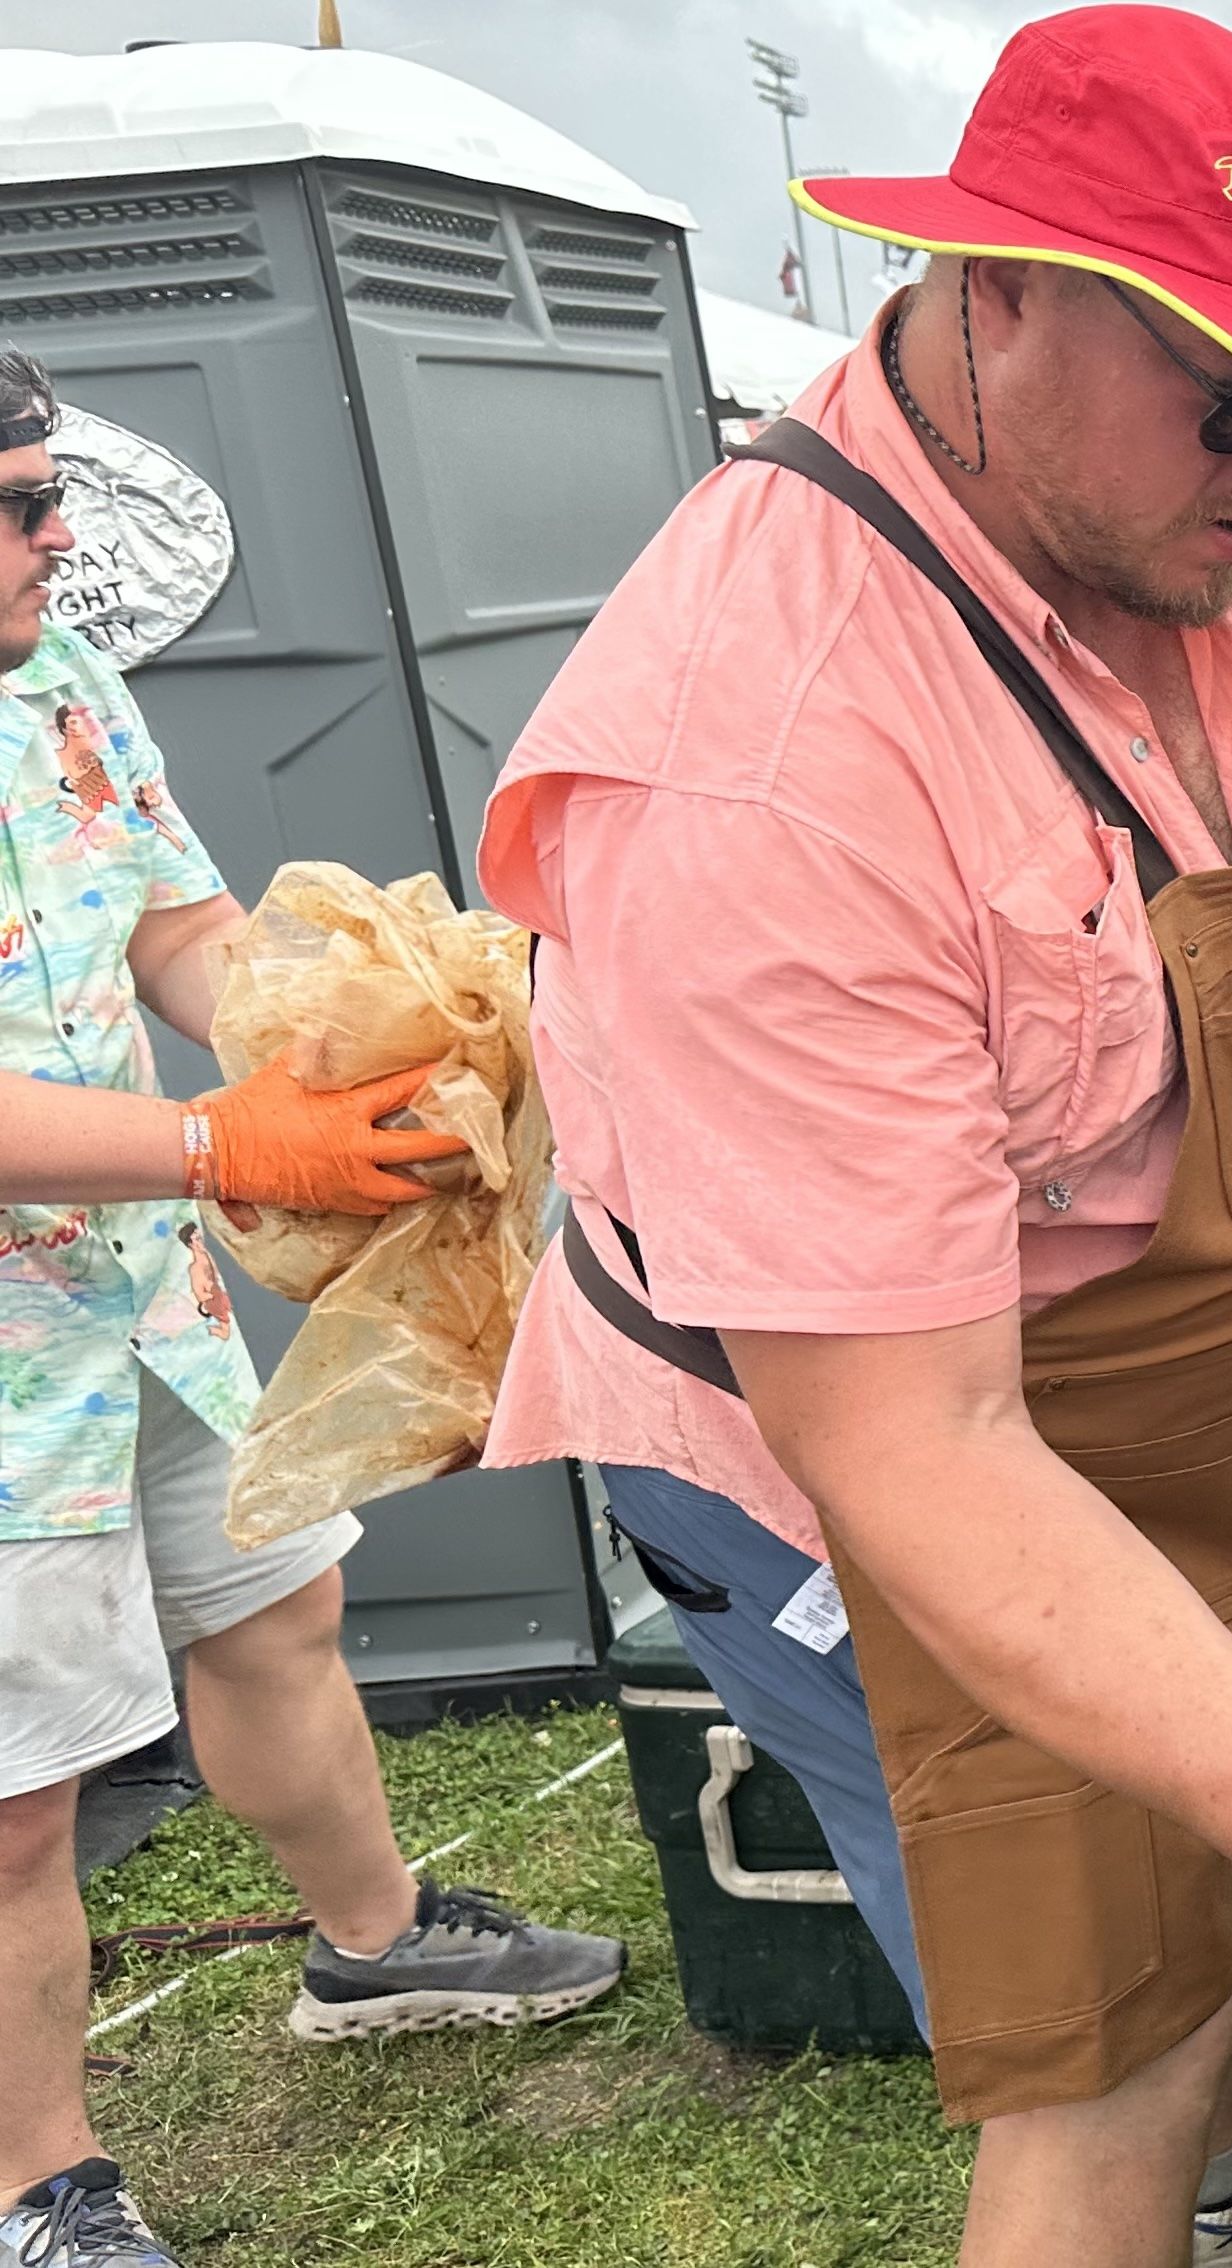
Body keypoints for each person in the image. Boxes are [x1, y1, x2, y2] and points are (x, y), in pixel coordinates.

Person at [469, 15, 1232, 2266]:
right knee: (1095, 2055)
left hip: (1181, 1416)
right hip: (896, 1478)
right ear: (997, 287)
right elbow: (922, 1447)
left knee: (1185, 1929)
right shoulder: (767, 762)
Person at [0, 347, 623, 2268]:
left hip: (136, 1295)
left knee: (278, 1609)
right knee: (16, 1796)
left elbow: (170, 920)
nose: (58, 533)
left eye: (48, 489)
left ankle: (369, 1945)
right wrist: (218, 1140)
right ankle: (40, 2185)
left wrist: (330, 1038)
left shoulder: (57, 683)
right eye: (15, 507)